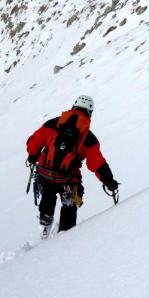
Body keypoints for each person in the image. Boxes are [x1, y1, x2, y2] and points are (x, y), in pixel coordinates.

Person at [26, 95, 119, 237]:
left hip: (46, 173)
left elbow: (34, 142)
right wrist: (109, 181)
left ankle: (45, 223)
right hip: (68, 179)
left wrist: (32, 156)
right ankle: (66, 234)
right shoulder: (88, 137)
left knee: (47, 192)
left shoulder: (53, 124)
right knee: (70, 204)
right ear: (90, 112)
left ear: (73, 106)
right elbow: (97, 163)